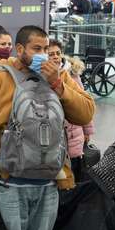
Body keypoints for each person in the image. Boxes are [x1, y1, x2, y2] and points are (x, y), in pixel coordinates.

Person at [0, 25, 96, 230]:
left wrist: (58, 83)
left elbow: (86, 113)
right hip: (9, 185)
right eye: (36, 48)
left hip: (49, 185)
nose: (44, 55)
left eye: (46, 48)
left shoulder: (58, 76)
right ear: (19, 49)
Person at [48, 40, 95, 182]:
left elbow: (84, 102)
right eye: (51, 54)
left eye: (58, 53)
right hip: (56, 137)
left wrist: (88, 131)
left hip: (74, 134)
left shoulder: (72, 75)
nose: (56, 56)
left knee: (74, 172)